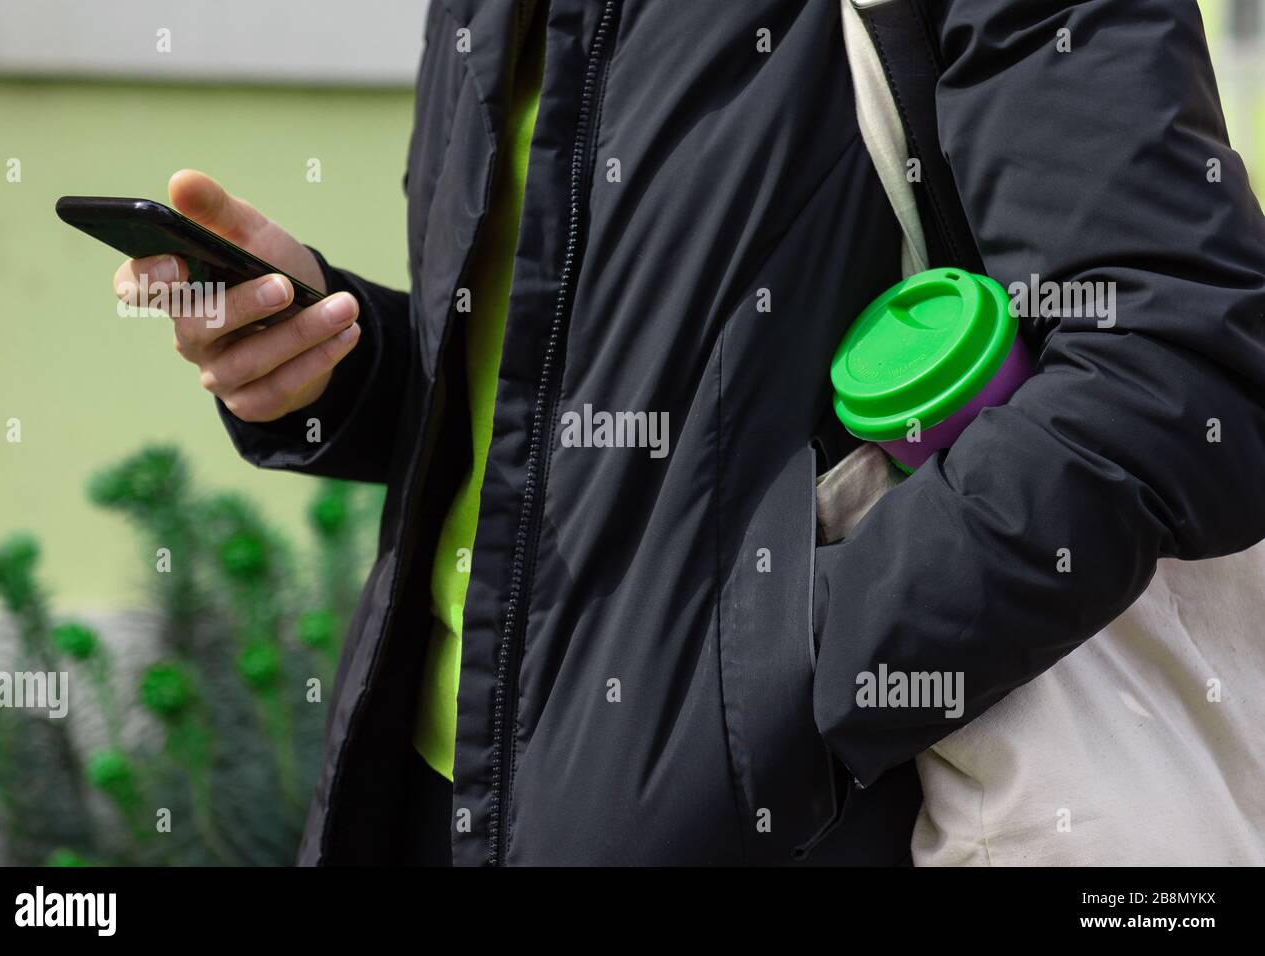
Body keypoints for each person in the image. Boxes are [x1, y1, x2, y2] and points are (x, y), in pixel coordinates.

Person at [112, 0, 1265, 866]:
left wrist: (751, 706)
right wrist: (343, 368)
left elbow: (1176, 365)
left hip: (781, 822)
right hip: (428, 798)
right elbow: (575, 399)